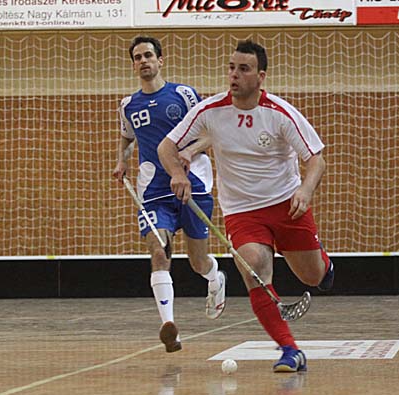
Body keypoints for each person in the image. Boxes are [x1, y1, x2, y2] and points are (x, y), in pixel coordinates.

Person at [158, 40, 335, 372]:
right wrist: (177, 174)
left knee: (313, 276)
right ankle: (289, 350)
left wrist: (306, 190)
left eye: (243, 69)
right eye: (231, 68)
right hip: (242, 212)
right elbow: (166, 147)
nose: (234, 75)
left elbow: (316, 159)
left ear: (260, 76)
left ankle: (324, 263)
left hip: (287, 205)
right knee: (253, 267)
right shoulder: (210, 110)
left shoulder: (279, 113)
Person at [112, 36, 226, 353]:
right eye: (138, 57)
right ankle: (169, 327)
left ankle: (215, 277)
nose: (143, 61)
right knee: (159, 252)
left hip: (193, 184)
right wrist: (121, 160)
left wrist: (189, 151)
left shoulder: (184, 94)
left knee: (197, 262)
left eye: (148, 55)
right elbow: (127, 138)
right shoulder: (128, 105)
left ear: (160, 60)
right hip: (153, 190)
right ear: (133, 65)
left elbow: (211, 133)